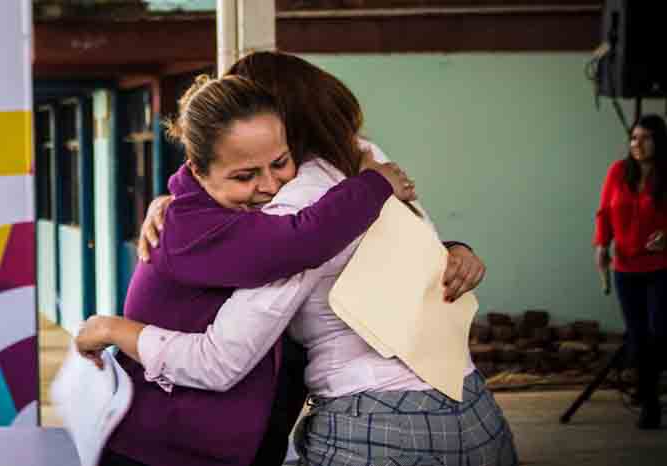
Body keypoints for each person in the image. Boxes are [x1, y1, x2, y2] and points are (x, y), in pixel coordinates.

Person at [78, 53, 516, 465]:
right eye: (246, 173)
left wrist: (452, 248)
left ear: (281, 123)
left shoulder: (318, 190)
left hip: (375, 418)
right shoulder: (366, 160)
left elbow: (307, 245)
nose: (269, 185)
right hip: (470, 402)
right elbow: (307, 243)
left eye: (278, 162)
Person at [594, 113, 667, 430]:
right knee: (638, 337)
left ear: (659, 141)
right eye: (634, 138)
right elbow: (604, 213)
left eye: (645, 138)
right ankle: (650, 404)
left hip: (661, 267)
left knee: (659, 333)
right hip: (625, 268)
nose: (637, 144)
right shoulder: (618, 172)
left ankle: (650, 389)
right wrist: (601, 245)